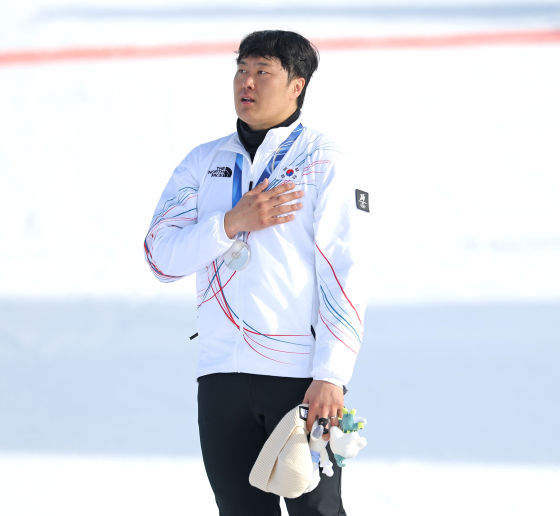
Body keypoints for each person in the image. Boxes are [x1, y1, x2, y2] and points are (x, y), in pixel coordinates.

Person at [144, 30, 371, 516]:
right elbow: (160, 257)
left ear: (297, 85)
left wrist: (331, 374)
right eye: (241, 70)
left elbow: (346, 272)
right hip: (221, 375)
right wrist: (229, 223)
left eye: (262, 72)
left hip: (299, 378)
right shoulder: (204, 161)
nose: (246, 82)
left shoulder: (325, 161)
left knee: (318, 513)